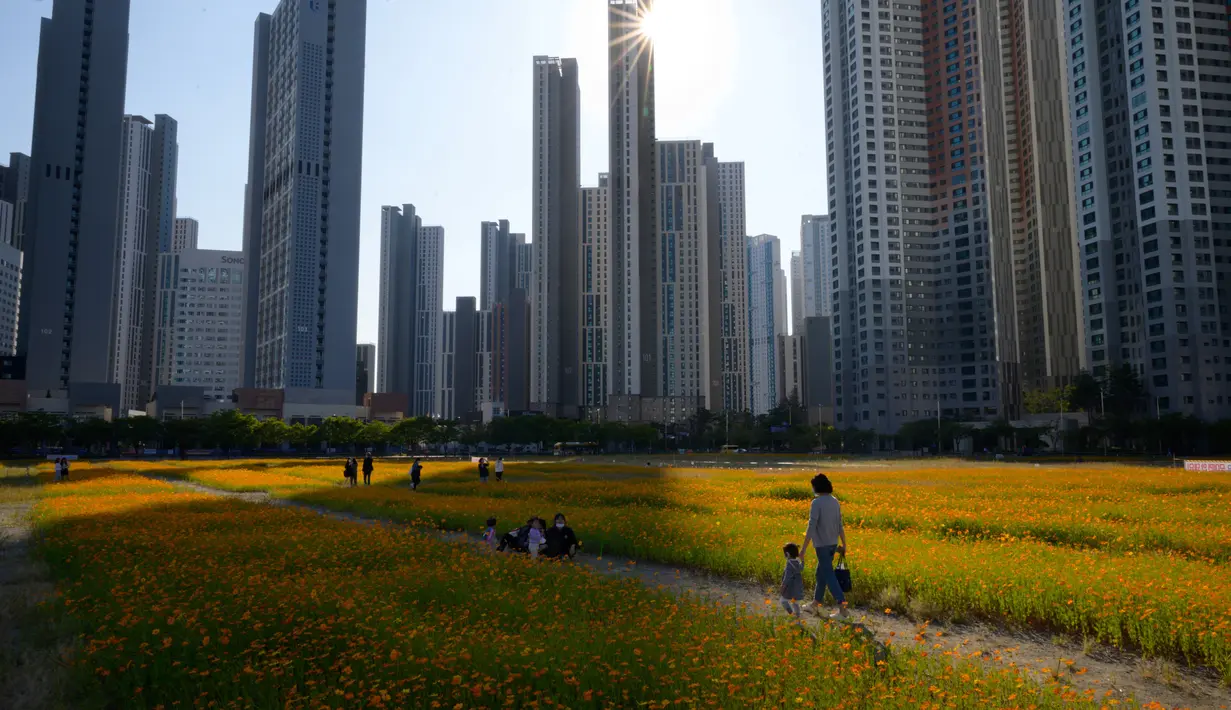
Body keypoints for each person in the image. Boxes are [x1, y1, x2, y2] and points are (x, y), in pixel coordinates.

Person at [800, 473, 848, 618]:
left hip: (822, 545)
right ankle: (814, 604)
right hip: (833, 544)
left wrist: (803, 549)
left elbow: (811, 526)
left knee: (828, 575)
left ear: (817, 487)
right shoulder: (835, 501)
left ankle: (843, 609)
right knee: (820, 574)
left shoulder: (816, 503)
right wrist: (844, 543)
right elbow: (840, 524)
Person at [779, 542, 805, 617]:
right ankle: (797, 616)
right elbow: (802, 568)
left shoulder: (789, 565)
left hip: (789, 588)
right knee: (795, 602)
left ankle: (791, 613)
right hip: (797, 587)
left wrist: (782, 586)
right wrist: (802, 560)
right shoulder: (797, 562)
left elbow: (787, 577)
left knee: (783, 601)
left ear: (787, 554)